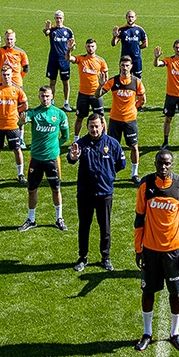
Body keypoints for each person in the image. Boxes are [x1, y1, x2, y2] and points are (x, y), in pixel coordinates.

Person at [133, 149, 179, 353]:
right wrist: (137, 249)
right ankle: (147, 333)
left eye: (167, 164)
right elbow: (139, 218)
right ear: (155, 164)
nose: (164, 167)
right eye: (160, 163)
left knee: (175, 292)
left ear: (172, 164)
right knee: (148, 291)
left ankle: (174, 333)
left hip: (174, 251)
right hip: (150, 250)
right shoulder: (146, 185)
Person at [68, 114, 125, 271]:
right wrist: (72, 157)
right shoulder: (81, 143)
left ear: (102, 126)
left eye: (96, 126)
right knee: (84, 226)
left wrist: (108, 176)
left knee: (105, 227)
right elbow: (71, 157)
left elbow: (121, 164)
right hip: (85, 193)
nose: (94, 129)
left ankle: (105, 257)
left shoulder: (112, 144)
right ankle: (82, 257)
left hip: (105, 193)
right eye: (91, 126)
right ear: (87, 127)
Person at [18, 86, 70, 232]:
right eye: (42, 96)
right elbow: (22, 121)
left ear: (52, 96)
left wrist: (55, 147)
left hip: (52, 159)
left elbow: (65, 136)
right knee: (32, 189)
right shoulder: (34, 113)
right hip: (36, 158)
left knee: (56, 189)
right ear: (39, 97)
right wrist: (21, 122)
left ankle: (59, 218)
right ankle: (31, 219)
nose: (45, 99)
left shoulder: (59, 114)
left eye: (47, 96)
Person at [102, 56, 146, 184]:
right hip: (115, 119)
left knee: (134, 146)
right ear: (119, 66)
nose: (125, 68)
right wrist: (100, 86)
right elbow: (97, 95)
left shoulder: (136, 82)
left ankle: (134, 173)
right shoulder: (113, 81)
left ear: (131, 66)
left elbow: (142, 100)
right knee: (111, 147)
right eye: (123, 65)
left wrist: (134, 108)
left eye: (127, 65)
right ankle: (111, 171)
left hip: (130, 120)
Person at [70, 38, 108, 132]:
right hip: (83, 94)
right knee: (79, 117)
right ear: (85, 47)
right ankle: (76, 139)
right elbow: (69, 58)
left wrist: (101, 88)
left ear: (96, 47)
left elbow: (106, 78)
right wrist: (68, 50)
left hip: (96, 94)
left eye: (92, 46)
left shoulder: (101, 61)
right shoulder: (81, 59)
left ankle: (105, 139)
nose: (90, 48)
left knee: (101, 118)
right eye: (88, 46)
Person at [43, 10, 75, 112]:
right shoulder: (52, 30)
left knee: (65, 82)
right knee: (52, 81)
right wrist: (46, 29)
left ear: (63, 18)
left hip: (64, 60)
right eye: (57, 18)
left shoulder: (68, 31)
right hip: (53, 60)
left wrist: (71, 48)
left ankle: (66, 103)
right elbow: (46, 32)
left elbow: (73, 45)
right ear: (54, 19)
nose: (58, 20)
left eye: (60, 18)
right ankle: (51, 102)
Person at [112, 10, 148, 78]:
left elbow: (145, 44)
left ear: (135, 18)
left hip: (136, 58)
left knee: (138, 78)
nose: (130, 19)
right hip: (125, 59)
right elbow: (113, 44)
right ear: (126, 17)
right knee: (123, 77)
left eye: (132, 17)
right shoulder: (121, 29)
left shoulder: (140, 30)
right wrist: (114, 36)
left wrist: (137, 47)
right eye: (129, 17)